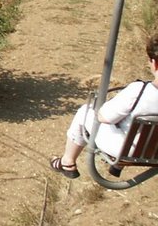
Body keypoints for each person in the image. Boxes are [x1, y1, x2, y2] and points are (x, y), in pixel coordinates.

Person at [51, 34, 158, 178]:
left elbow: (104, 117)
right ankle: (117, 165)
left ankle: (67, 161)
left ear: (154, 63)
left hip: (128, 150)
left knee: (86, 112)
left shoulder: (139, 90)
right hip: (155, 152)